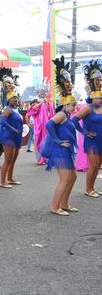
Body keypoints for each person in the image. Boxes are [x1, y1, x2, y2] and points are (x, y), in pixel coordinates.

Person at [41, 62, 78, 216]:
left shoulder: (67, 115)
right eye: (72, 105)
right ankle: (55, 207)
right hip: (60, 150)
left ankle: (64, 203)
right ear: (66, 104)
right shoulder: (62, 114)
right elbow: (49, 125)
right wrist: (56, 140)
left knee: (73, 176)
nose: (75, 107)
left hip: (65, 149)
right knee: (64, 179)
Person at [71, 59, 102, 198]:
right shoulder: (87, 109)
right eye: (98, 98)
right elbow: (74, 120)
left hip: (100, 140)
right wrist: (84, 132)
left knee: (98, 165)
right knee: (93, 164)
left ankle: (92, 187)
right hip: (92, 140)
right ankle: (88, 189)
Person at [0, 91, 23, 188]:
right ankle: (2, 181)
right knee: (8, 160)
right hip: (9, 137)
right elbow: (2, 121)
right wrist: (13, 129)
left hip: (17, 137)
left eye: (16, 98)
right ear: (8, 100)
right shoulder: (8, 109)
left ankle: (10, 178)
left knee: (13, 160)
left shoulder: (16, 110)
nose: (16, 100)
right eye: (13, 98)